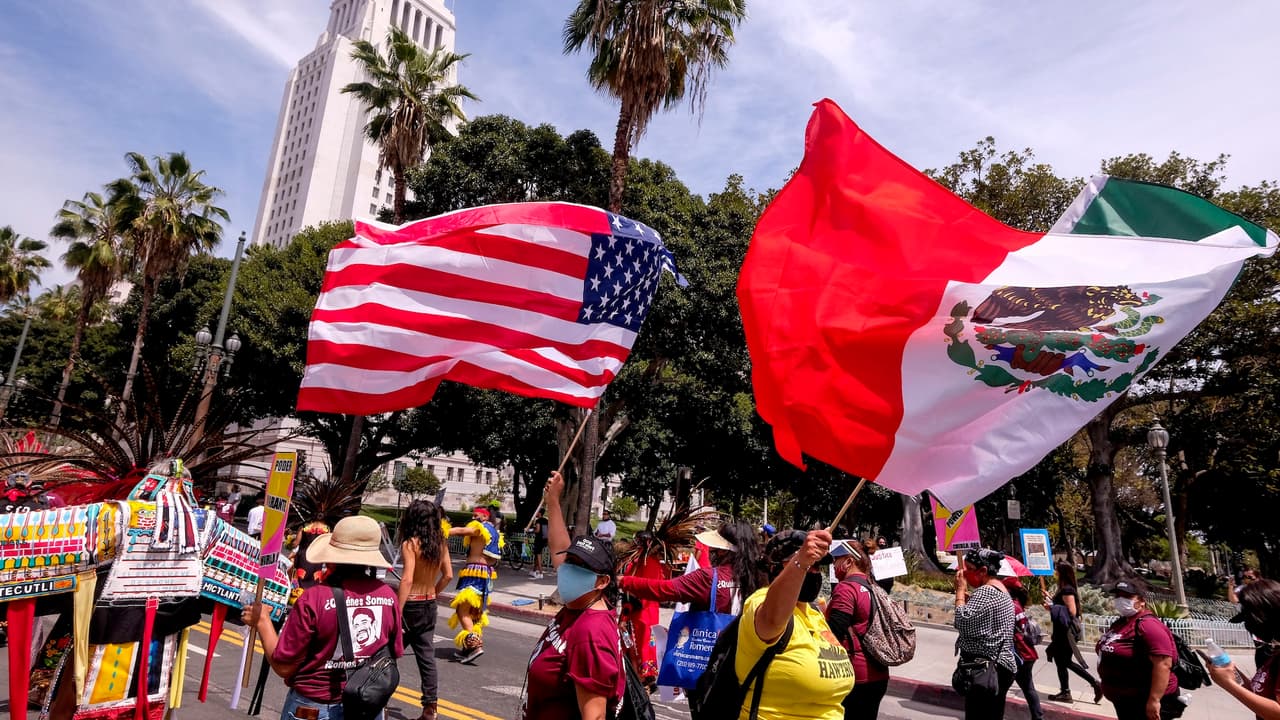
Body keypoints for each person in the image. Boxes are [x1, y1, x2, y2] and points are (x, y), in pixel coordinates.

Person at [242, 515, 403, 720]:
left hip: (315, 707)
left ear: (331, 557)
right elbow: (393, 653)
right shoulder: (388, 596)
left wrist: (263, 621)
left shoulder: (314, 598)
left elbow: (284, 666)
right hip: (366, 706)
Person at [522, 470, 624, 720]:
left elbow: (595, 716)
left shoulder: (591, 633)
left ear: (602, 581)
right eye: (569, 562)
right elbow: (559, 547)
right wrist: (553, 501)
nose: (568, 570)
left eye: (580, 567)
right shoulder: (580, 604)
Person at [734, 528, 852, 719]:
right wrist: (801, 562)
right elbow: (773, 618)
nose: (813, 570)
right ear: (775, 567)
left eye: (817, 565)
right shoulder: (760, 603)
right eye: (809, 564)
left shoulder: (813, 613)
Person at [619, 520, 763, 614]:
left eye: (713, 547)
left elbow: (663, 589)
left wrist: (623, 581)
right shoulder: (757, 576)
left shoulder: (706, 578)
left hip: (709, 647)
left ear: (722, 551)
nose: (710, 550)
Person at [398, 500, 453, 720]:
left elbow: (407, 579)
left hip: (410, 604)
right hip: (429, 603)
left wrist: (397, 610)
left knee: (387, 653)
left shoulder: (410, 544)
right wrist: (434, 593)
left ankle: (377, 696)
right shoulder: (440, 543)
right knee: (426, 657)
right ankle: (430, 707)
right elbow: (448, 575)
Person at [1096, 581, 1183, 720]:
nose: (1120, 600)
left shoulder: (1148, 625)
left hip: (1143, 699)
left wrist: (1154, 700)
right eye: (1118, 596)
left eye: (1127, 596)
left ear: (1142, 601)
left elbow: (1163, 664)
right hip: (1125, 698)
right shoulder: (1122, 623)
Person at [826, 540, 889, 720]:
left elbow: (835, 632)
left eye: (836, 560)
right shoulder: (874, 587)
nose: (833, 565)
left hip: (855, 676)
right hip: (879, 674)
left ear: (848, 562)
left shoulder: (846, 588)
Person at [953, 548, 1017, 719]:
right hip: (999, 667)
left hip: (984, 669)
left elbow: (962, 621)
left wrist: (959, 592)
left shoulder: (986, 592)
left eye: (968, 568)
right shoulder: (1001, 590)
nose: (964, 573)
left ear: (983, 571)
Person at [1208, 578, 1280, 719]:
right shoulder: (1275, 650)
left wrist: (1229, 684)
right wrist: (1232, 674)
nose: (1248, 627)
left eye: (1250, 620)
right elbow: (1259, 691)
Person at [447, 505, 502, 663]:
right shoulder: (494, 532)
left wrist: (441, 530)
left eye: (476, 516)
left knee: (462, 610)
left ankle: (475, 646)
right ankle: (467, 648)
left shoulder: (480, 528)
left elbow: (462, 531)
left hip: (475, 573)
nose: (473, 518)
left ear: (485, 517)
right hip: (484, 574)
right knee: (474, 613)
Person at [1044, 560, 1101, 703]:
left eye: (1056, 570)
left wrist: (1052, 607)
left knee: (1065, 661)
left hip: (1066, 633)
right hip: (1061, 631)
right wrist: (1051, 600)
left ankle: (1094, 683)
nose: (1055, 572)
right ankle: (1065, 692)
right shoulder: (1063, 589)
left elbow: (1071, 612)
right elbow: (1061, 606)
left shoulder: (1067, 590)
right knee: (1061, 661)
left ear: (1062, 573)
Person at [1003, 576, 1045, 720]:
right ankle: (1038, 717)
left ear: (1008, 590)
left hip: (1018, 653)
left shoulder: (1010, 606)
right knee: (1028, 688)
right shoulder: (1018, 604)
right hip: (1027, 653)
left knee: (1001, 688)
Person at [530, 508, 549, 580]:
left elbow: (538, 530)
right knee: (537, 555)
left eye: (537, 512)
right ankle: (534, 571)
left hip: (538, 539)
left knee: (538, 555)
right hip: (544, 539)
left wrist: (532, 530)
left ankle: (541, 573)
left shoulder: (538, 521)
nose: (536, 513)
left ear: (540, 513)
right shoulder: (546, 520)